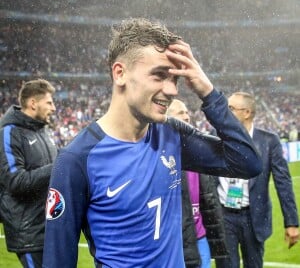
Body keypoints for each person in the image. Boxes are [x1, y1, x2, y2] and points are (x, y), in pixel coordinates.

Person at [42, 18, 262, 268]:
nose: (172, 90)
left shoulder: (171, 135)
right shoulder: (76, 160)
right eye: (159, 76)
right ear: (120, 73)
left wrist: (208, 92)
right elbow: (57, 260)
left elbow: (248, 163)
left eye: (174, 80)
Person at [215, 91, 300, 268]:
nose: (225, 111)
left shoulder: (269, 141)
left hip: (253, 218)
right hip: (224, 216)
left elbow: (283, 182)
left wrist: (291, 222)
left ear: (247, 112)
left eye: (231, 108)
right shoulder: (217, 138)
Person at [0, 79, 57, 268]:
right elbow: (16, 182)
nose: (54, 108)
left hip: (50, 227)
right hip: (29, 233)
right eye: (49, 102)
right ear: (33, 103)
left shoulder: (42, 132)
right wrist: (58, 166)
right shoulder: (9, 133)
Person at [168, 99, 228, 268]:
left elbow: (209, 200)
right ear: (166, 117)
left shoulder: (198, 150)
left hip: (200, 237)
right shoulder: (161, 153)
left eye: (187, 112)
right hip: (175, 240)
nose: (187, 116)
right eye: (180, 112)